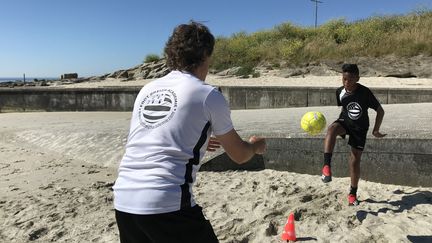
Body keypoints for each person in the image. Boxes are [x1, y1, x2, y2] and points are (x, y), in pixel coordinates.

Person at [112, 21, 266, 243]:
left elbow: (153, 137)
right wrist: (256, 145)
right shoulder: (208, 94)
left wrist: (199, 140)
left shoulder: (148, 89)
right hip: (166, 202)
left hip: (125, 200)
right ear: (205, 55)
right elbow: (240, 155)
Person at [320, 64, 386, 206]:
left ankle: (352, 193)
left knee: (354, 160)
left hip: (360, 128)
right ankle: (326, 166)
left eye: (349, 80)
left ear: (357, 78)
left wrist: (375, 130)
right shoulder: (339, 92)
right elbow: (344, 107)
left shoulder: (365, 92)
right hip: (345, 122)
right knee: (331, 129)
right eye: (344, 79)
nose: (346, 83)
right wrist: (341, 124)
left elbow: (380, 111)